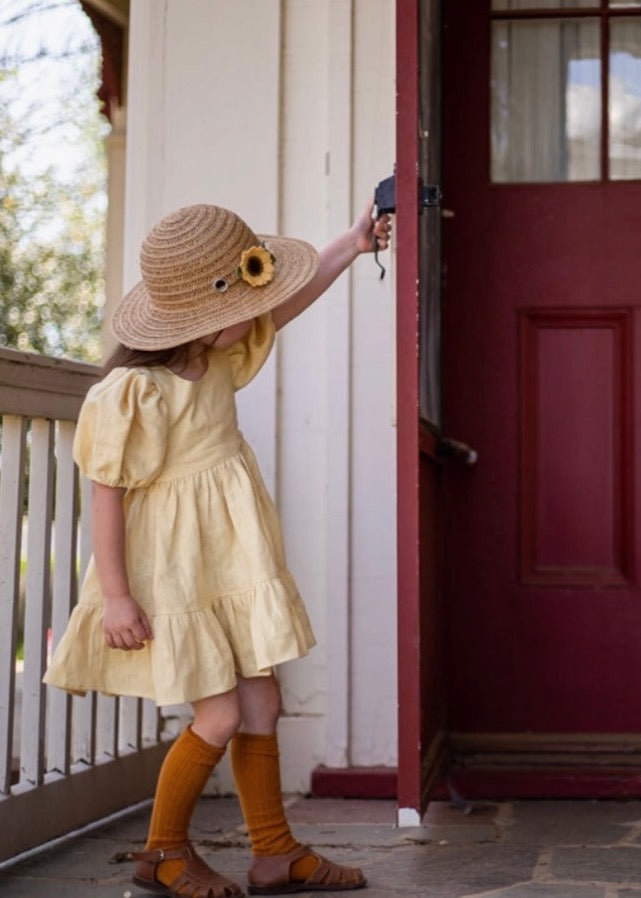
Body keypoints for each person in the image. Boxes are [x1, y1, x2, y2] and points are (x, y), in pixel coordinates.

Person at [44, 201, 391, 896]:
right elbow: (105, 491)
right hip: (172, 573)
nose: (264, 309)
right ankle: (163, 851)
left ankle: (274, 852)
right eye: (250, 297)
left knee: (263, 704)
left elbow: (289, 300)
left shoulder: (218, 357)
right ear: (199, 315)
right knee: (222, 712)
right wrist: (115, 595)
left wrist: (351, 247)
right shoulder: (135, 389)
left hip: (228, 564)